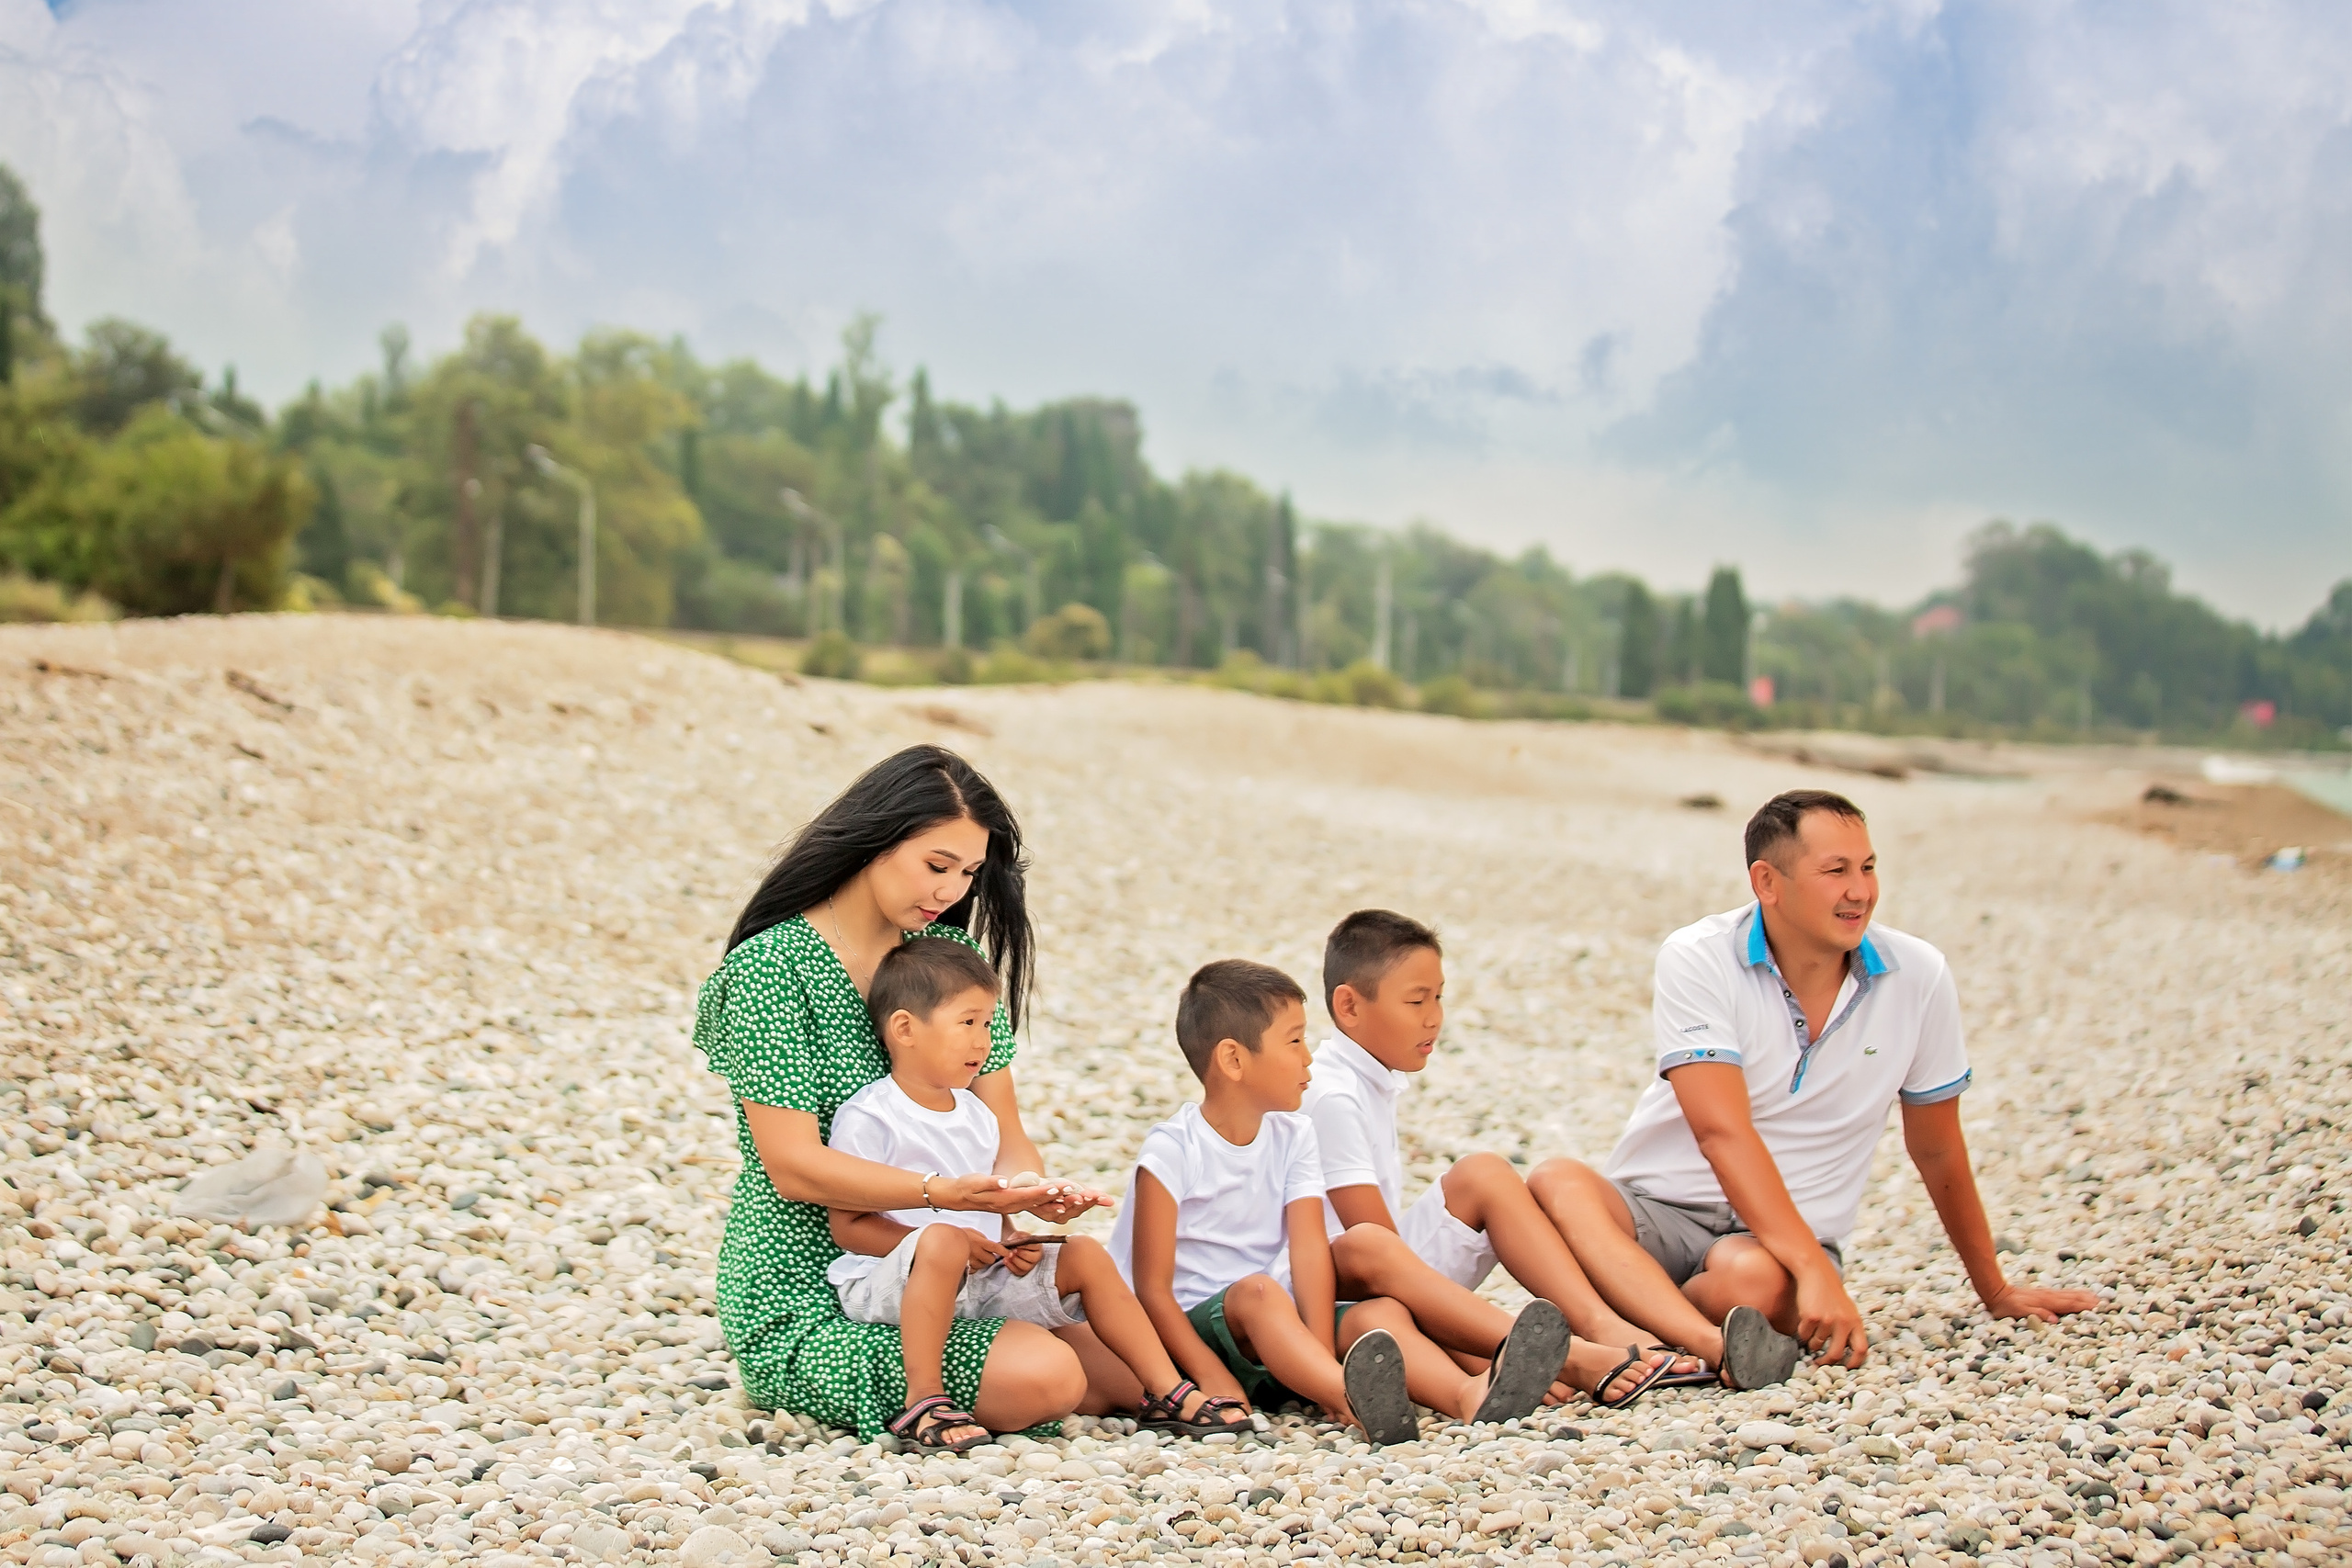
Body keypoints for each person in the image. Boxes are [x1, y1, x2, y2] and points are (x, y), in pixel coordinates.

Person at [1531, 789, 2098, 1382]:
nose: (1861, 890)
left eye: (1868, 867)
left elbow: (1936, 1146)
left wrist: (1995, 1287)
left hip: (1772, 1251)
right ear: (1767, 882)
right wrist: (1819, 1272)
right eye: (1836, 871)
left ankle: (1640, 1331)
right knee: (1556, 1179)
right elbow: (1720, 1130)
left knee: (1749, 1283)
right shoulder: (1699, 956)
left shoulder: (1919, 975)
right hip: (1658, 1214)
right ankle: (1668, 1334)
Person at [693, 744, 1141, 1440]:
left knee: (1133, 1378)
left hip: (963, 1266)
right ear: (874, 840)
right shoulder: (771, 969)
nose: (949, 892)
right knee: (1048, 1377)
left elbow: (1005, 1127)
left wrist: (1018, 1197)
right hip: (818, 1285)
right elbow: (792, 1165)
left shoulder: (948, 963)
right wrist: (944, 1193)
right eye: (936, 865)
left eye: (967, 873)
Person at [1110, 959, 1570, 1445]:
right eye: (1294, 1041)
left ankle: (1466, 1395)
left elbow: (1309, 1252)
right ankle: (1348, 1396)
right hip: (1193, 1336)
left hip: (1278, 1333)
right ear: (1233, 1060)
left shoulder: (1293, 1133)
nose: (1309, 1058)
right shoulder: (1173, 1150)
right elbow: (1153, 1291)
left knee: (1379, 1315)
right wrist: (1208, 1379)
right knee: (1259, 1293)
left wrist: (1321, 1347)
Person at [826, 937, 1250, 1450]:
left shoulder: (976, 1114)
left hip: (977, 1276)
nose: (982, 1041)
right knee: (940, 1239)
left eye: (988, 1025)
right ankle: (923, 1399)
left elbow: (986, 1206)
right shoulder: (871, 1116)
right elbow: (847, 1226)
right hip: (889, 1283)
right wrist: (953, 1244)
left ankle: (1166, 1389)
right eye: (968, 1022)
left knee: (1085, 1254)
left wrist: (1012, 1233)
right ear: (904, 1028)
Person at [1302, 909, 1712, 1406]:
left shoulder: (1366, 1081)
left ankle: (1596, 1323)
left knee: (1485, 1173)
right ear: (1349, 1006)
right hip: (1339, 1294)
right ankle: (1567, 1350)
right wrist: (1479, 1357)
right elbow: (1376, 1256)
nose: (1434, 1017)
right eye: (1415, 1001)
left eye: (1438, 997)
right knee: (1380, 1242)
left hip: (1377, 1277)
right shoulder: (1333, 1095)